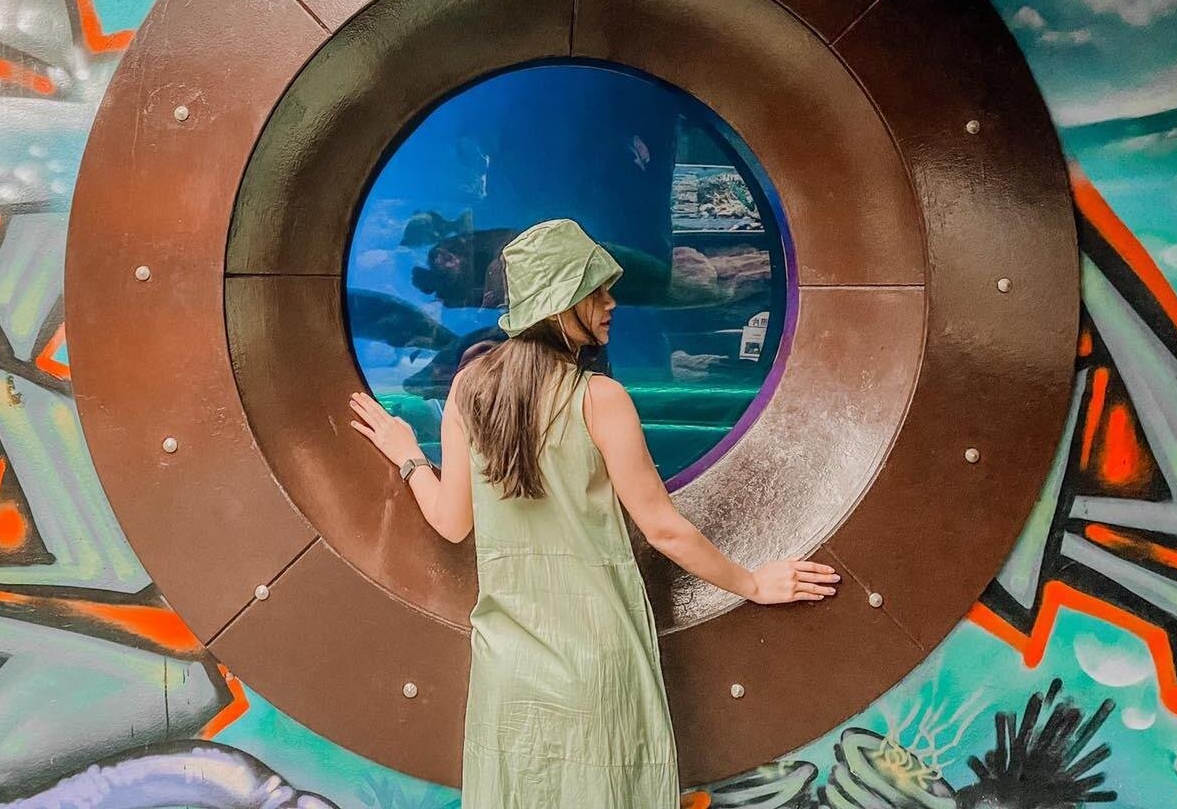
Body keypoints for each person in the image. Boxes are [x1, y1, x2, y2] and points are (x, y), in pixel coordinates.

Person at [349, 218, 839, 806]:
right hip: (598, 664)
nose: (611, 303)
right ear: (559, 306)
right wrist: (753, 583)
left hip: (508, 672)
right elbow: (663, 529)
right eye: (595, 291)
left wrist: (409, 457)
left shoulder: (467, 391)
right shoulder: (600, 399)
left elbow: (452, 524)